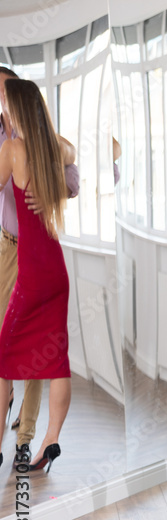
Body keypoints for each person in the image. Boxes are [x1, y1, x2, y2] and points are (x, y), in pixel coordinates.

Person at [0, 66, 80, 467]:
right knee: (56, 358)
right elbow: (73, 156)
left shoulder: (12, 149)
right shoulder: (55, 147)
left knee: (3, 358)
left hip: (30, 267)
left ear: (15, 108)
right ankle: (50, 440)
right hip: (55, 268)